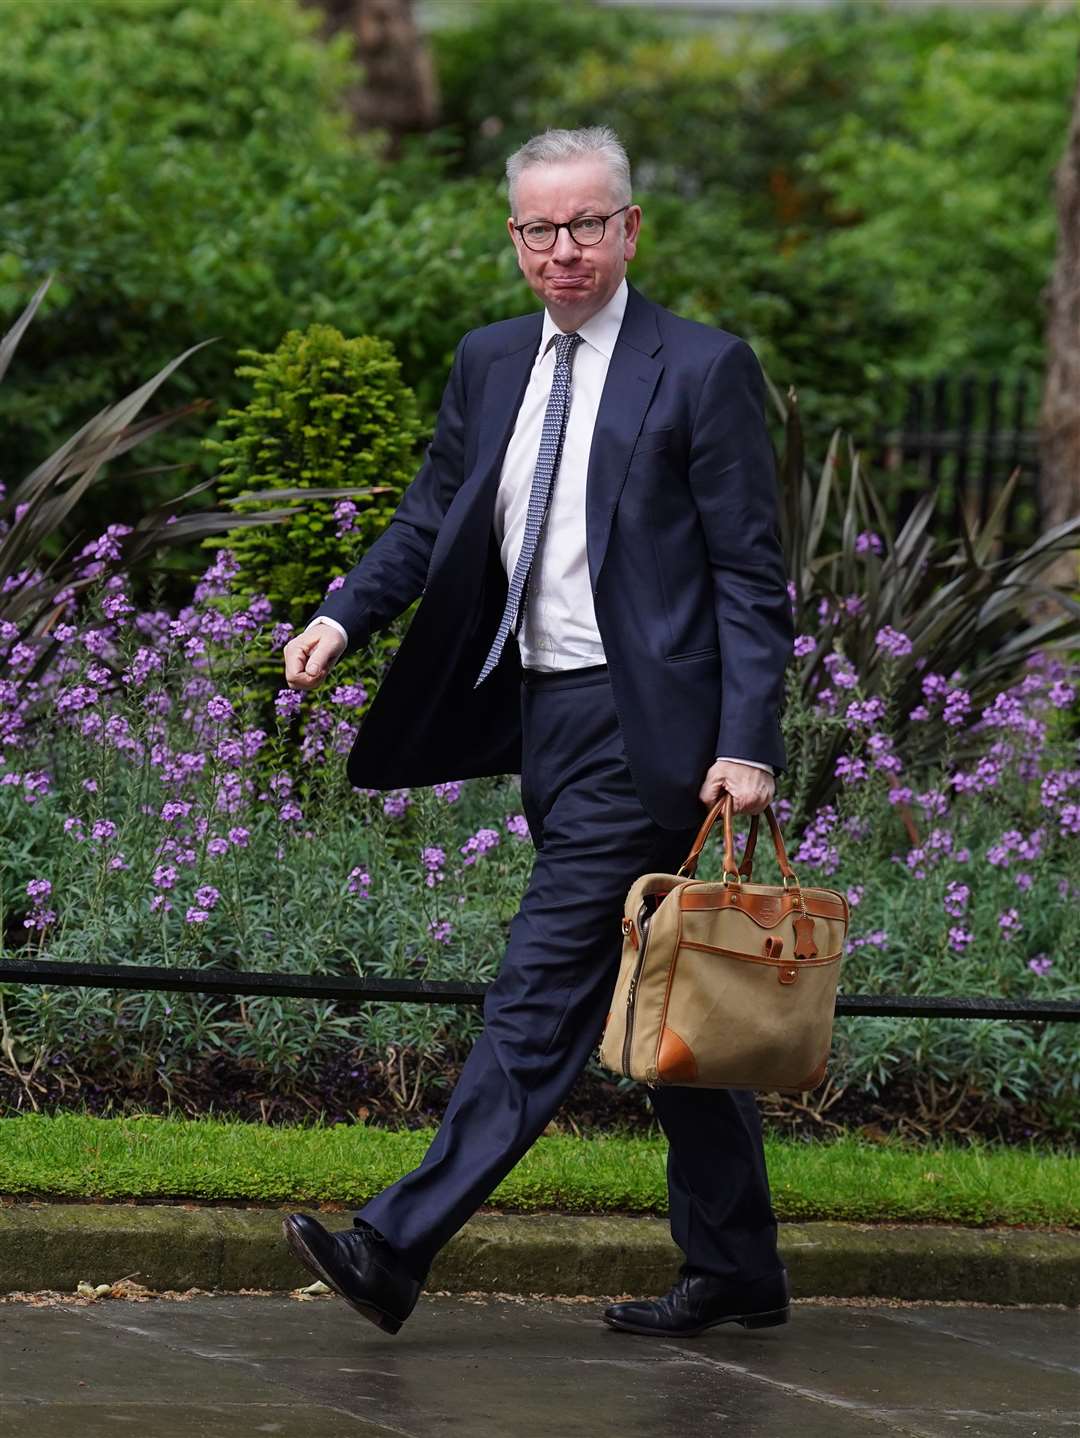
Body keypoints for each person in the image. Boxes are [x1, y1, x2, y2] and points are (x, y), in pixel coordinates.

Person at [280, 126, 794, 1339]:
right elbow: (430, 516)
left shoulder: (704, 367)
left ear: (629, 228)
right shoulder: (491, 359)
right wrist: (341, 617)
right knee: (671, 994)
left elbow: (751, 578)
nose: (563, 250)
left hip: (652, 727)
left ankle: (394, 1242)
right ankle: (738, 1267)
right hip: (547, 713)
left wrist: (748, 743)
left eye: (586, 225)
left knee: (540, 988)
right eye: (538, 230)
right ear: (513, 239)